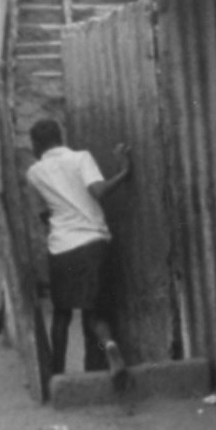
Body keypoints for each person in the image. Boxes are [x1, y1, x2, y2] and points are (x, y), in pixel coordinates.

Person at [24, 117, 130, 380]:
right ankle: (109, 347)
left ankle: (57, 374)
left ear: (36, 144)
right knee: (95, 313)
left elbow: (41, 213)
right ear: (60, 137)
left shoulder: (34, 173)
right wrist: (124, 171)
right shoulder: (81, 158)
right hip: (93, 244)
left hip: (62, 249)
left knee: (62, 314)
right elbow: (99, 191)